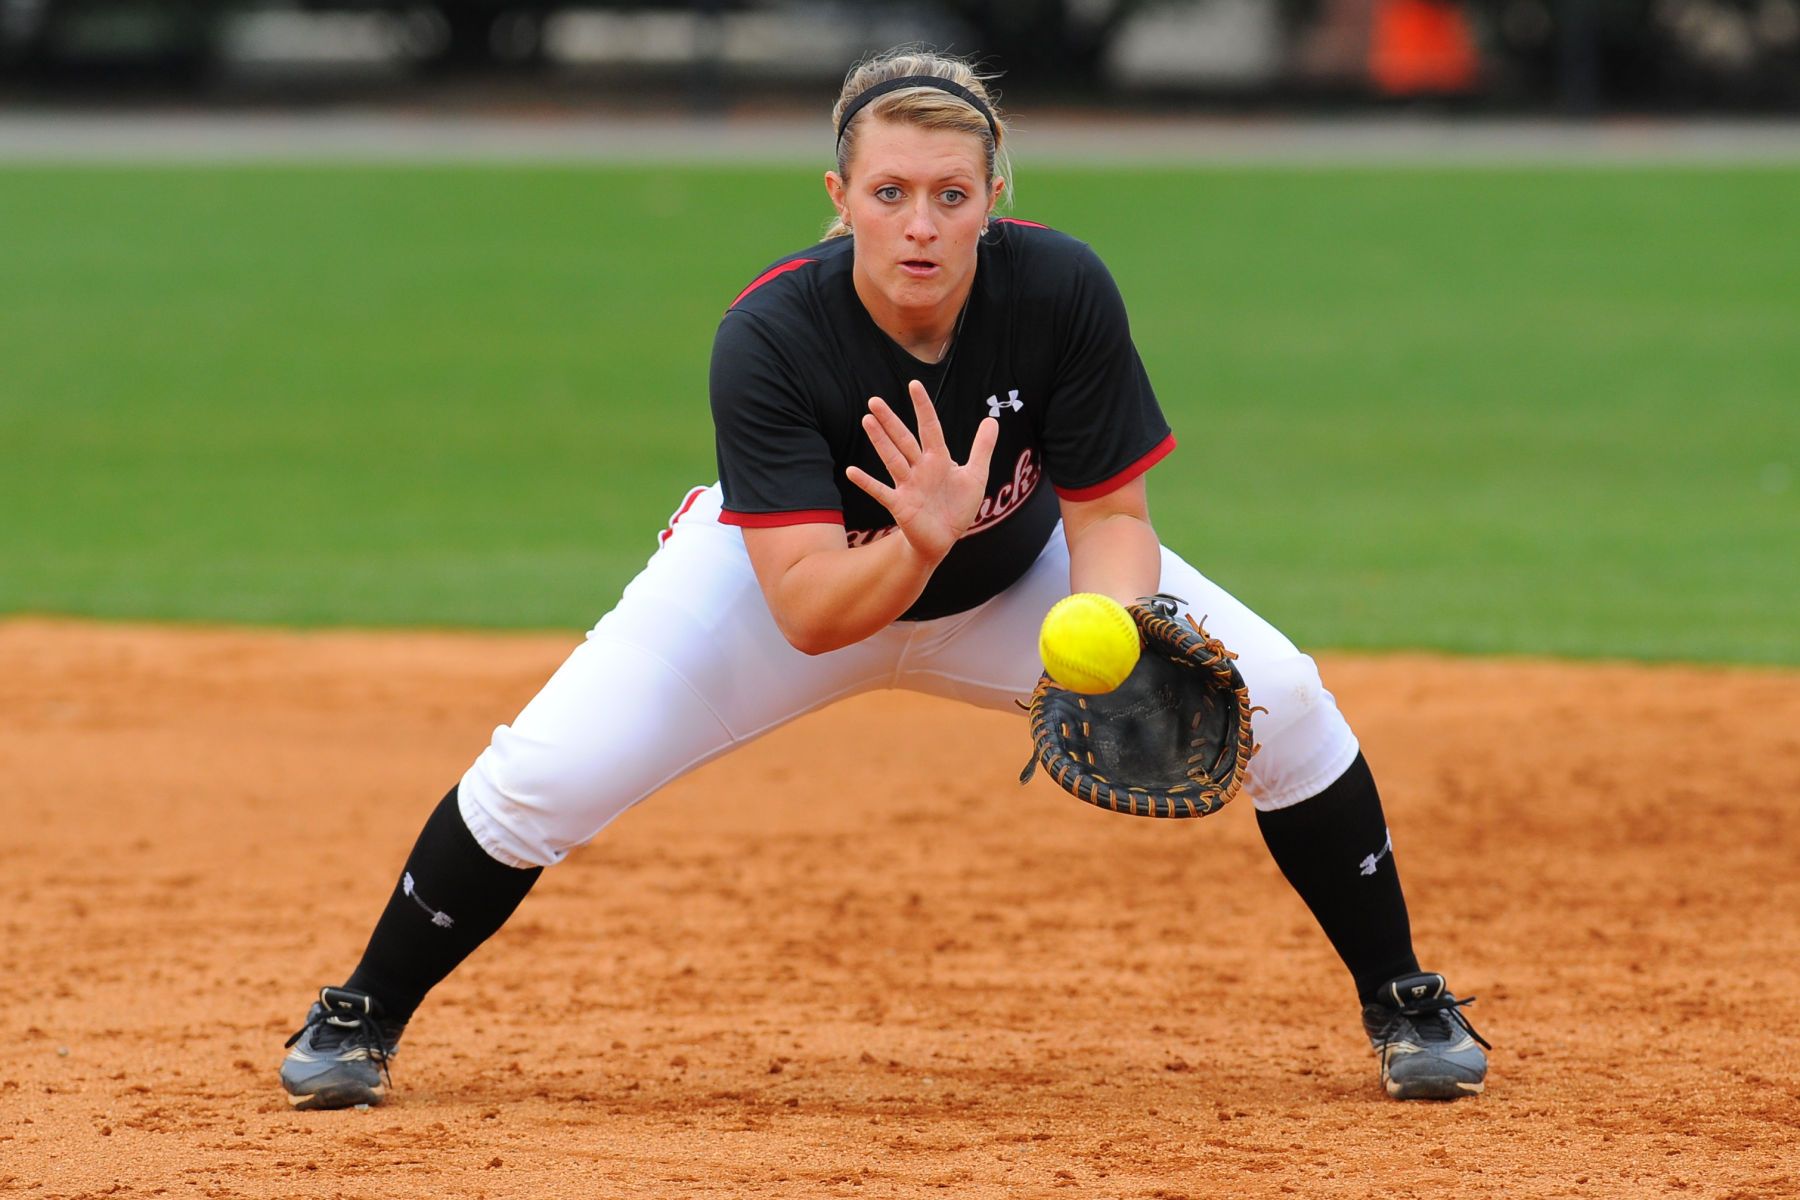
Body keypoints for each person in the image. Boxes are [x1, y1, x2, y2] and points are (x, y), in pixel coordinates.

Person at [278, 47, 1488, 1111]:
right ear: (840, 198)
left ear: (992, 201)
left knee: (1286, 696)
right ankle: (360, 1016)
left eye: (950, 196)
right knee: (546, 774)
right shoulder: (770, 334)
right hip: (780, 587)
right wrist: (918, 538)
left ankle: (1406, 1003)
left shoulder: (1059, 289)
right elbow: (805, 610)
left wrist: (1114, 628)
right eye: (891, 192)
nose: (920, 223)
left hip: (1017, 588)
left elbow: (1114, 513)